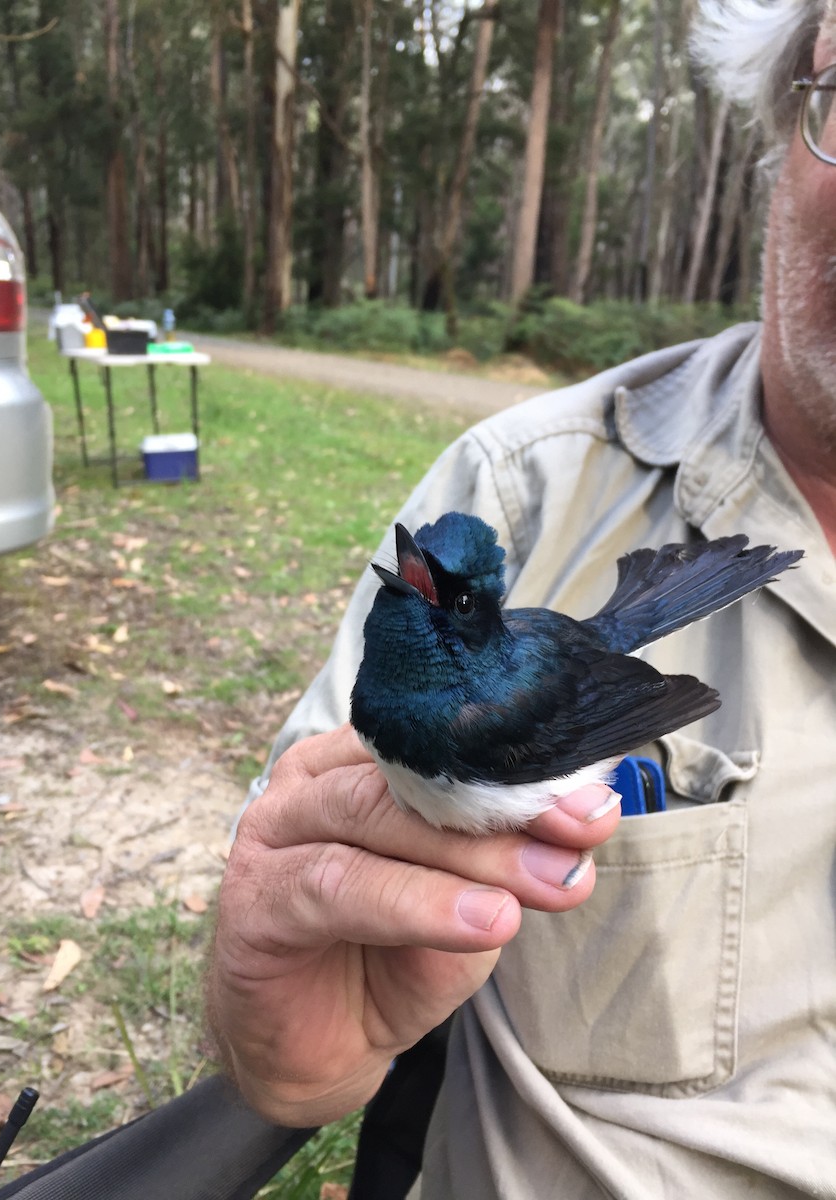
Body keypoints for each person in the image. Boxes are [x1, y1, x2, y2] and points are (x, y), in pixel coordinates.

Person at [206, 1, 836, 1194]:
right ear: (777, 139)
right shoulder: (527, 486)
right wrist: (294, 1034)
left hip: (563, 677)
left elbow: (581, 678)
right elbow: (302, 1021)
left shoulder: (478, 688)